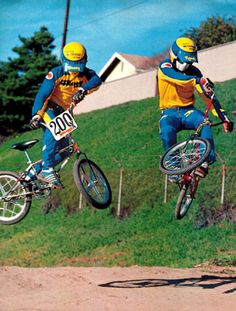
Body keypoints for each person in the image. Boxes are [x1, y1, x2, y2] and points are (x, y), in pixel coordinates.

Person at [158, 37, 234, 182]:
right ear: (174, 56)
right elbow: (176, 78)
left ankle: (204, 162)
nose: (186, 65)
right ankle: (174, 168)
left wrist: (223, 118)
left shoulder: (195, 73)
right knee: (166, 130)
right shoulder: (165, 66)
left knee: (204, 122)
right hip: (169, 112)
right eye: (183, 61)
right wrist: (198, 80)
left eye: (190, 62)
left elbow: (208, 97)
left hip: (188, 111)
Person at [29, 41, 102, 188]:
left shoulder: (87, 75)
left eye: (78, 64)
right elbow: (42, 95)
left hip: (65, 113)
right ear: (63, 61)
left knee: (64, 151)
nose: (74, 69)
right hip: (48, 109)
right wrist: (36, 115)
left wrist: (82, 90)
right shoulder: (56, 73)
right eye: (71, 64)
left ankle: (33, 172)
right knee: (53, 129)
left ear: (84, 61)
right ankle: (46, 169)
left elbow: (97, 81)